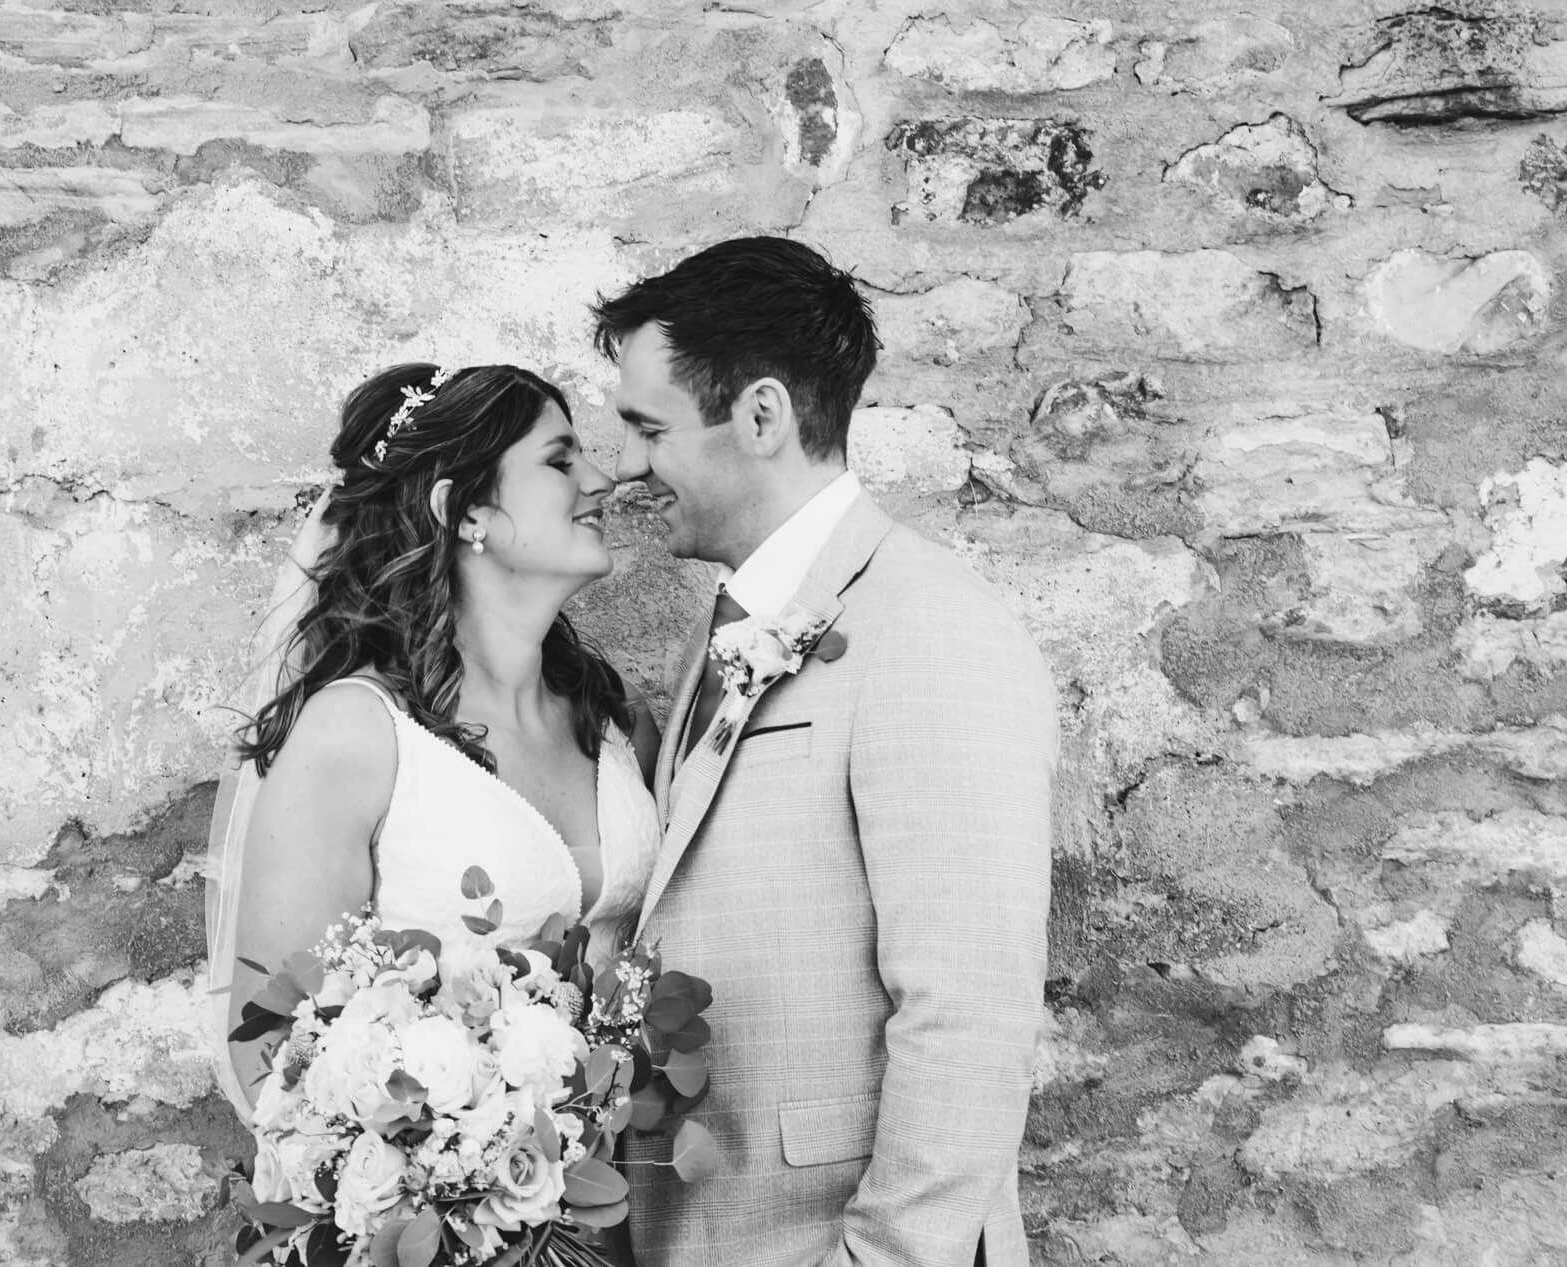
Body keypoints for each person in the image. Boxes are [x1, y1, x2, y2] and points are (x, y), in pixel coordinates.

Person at [593, 238, 1058, 1267]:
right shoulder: (724, 626)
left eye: (648, 428)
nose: (624, 464)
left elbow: (969, 1009)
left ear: (760, 416)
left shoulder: (929, 626)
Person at [203, 363, 663, 1120]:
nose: (602, 479)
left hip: (634, 1183)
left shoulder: (616, 720)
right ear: (464, 509)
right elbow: (270, 1049)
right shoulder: (358, 737)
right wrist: (444, 1166)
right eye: (560, 461)